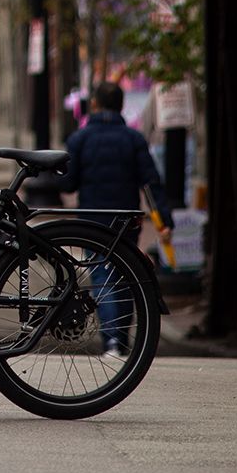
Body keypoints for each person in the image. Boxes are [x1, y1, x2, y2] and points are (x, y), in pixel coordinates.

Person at [60, 81, 171, 357]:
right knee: (125, 275)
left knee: (101, 274)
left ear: (94, 104)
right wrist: (164, 219)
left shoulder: (80, 139)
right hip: (126, 221)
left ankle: (111, 341)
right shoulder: (133, 139)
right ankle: (121, 338)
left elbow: (68, 184)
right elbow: (151, 182)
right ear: (121, 105)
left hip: (92, 219)